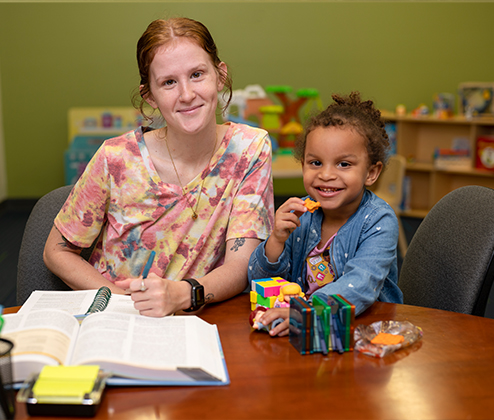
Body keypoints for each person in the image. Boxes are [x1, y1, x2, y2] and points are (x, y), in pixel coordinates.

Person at [43, 17, 274, 317]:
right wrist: (122, 301)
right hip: (119, 320)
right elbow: (56, 251)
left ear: (220, 76)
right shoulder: (115, 158)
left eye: (197, 74)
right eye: (168, 82)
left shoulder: (249, 149)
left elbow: (241, 263)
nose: (187, 94)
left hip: (200, 319)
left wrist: (184, 294)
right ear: (149, 96)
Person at [248, 92, 403, 336]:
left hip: (365, 331)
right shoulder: (301, 214)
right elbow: (259, 282)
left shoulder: (378, 221)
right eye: (316, 163)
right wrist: (276, 240)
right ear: (303, 165)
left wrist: (305, 311)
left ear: (372, 173)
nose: (326, 175)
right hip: (305, 328)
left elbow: (361, 285)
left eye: (344, 164)